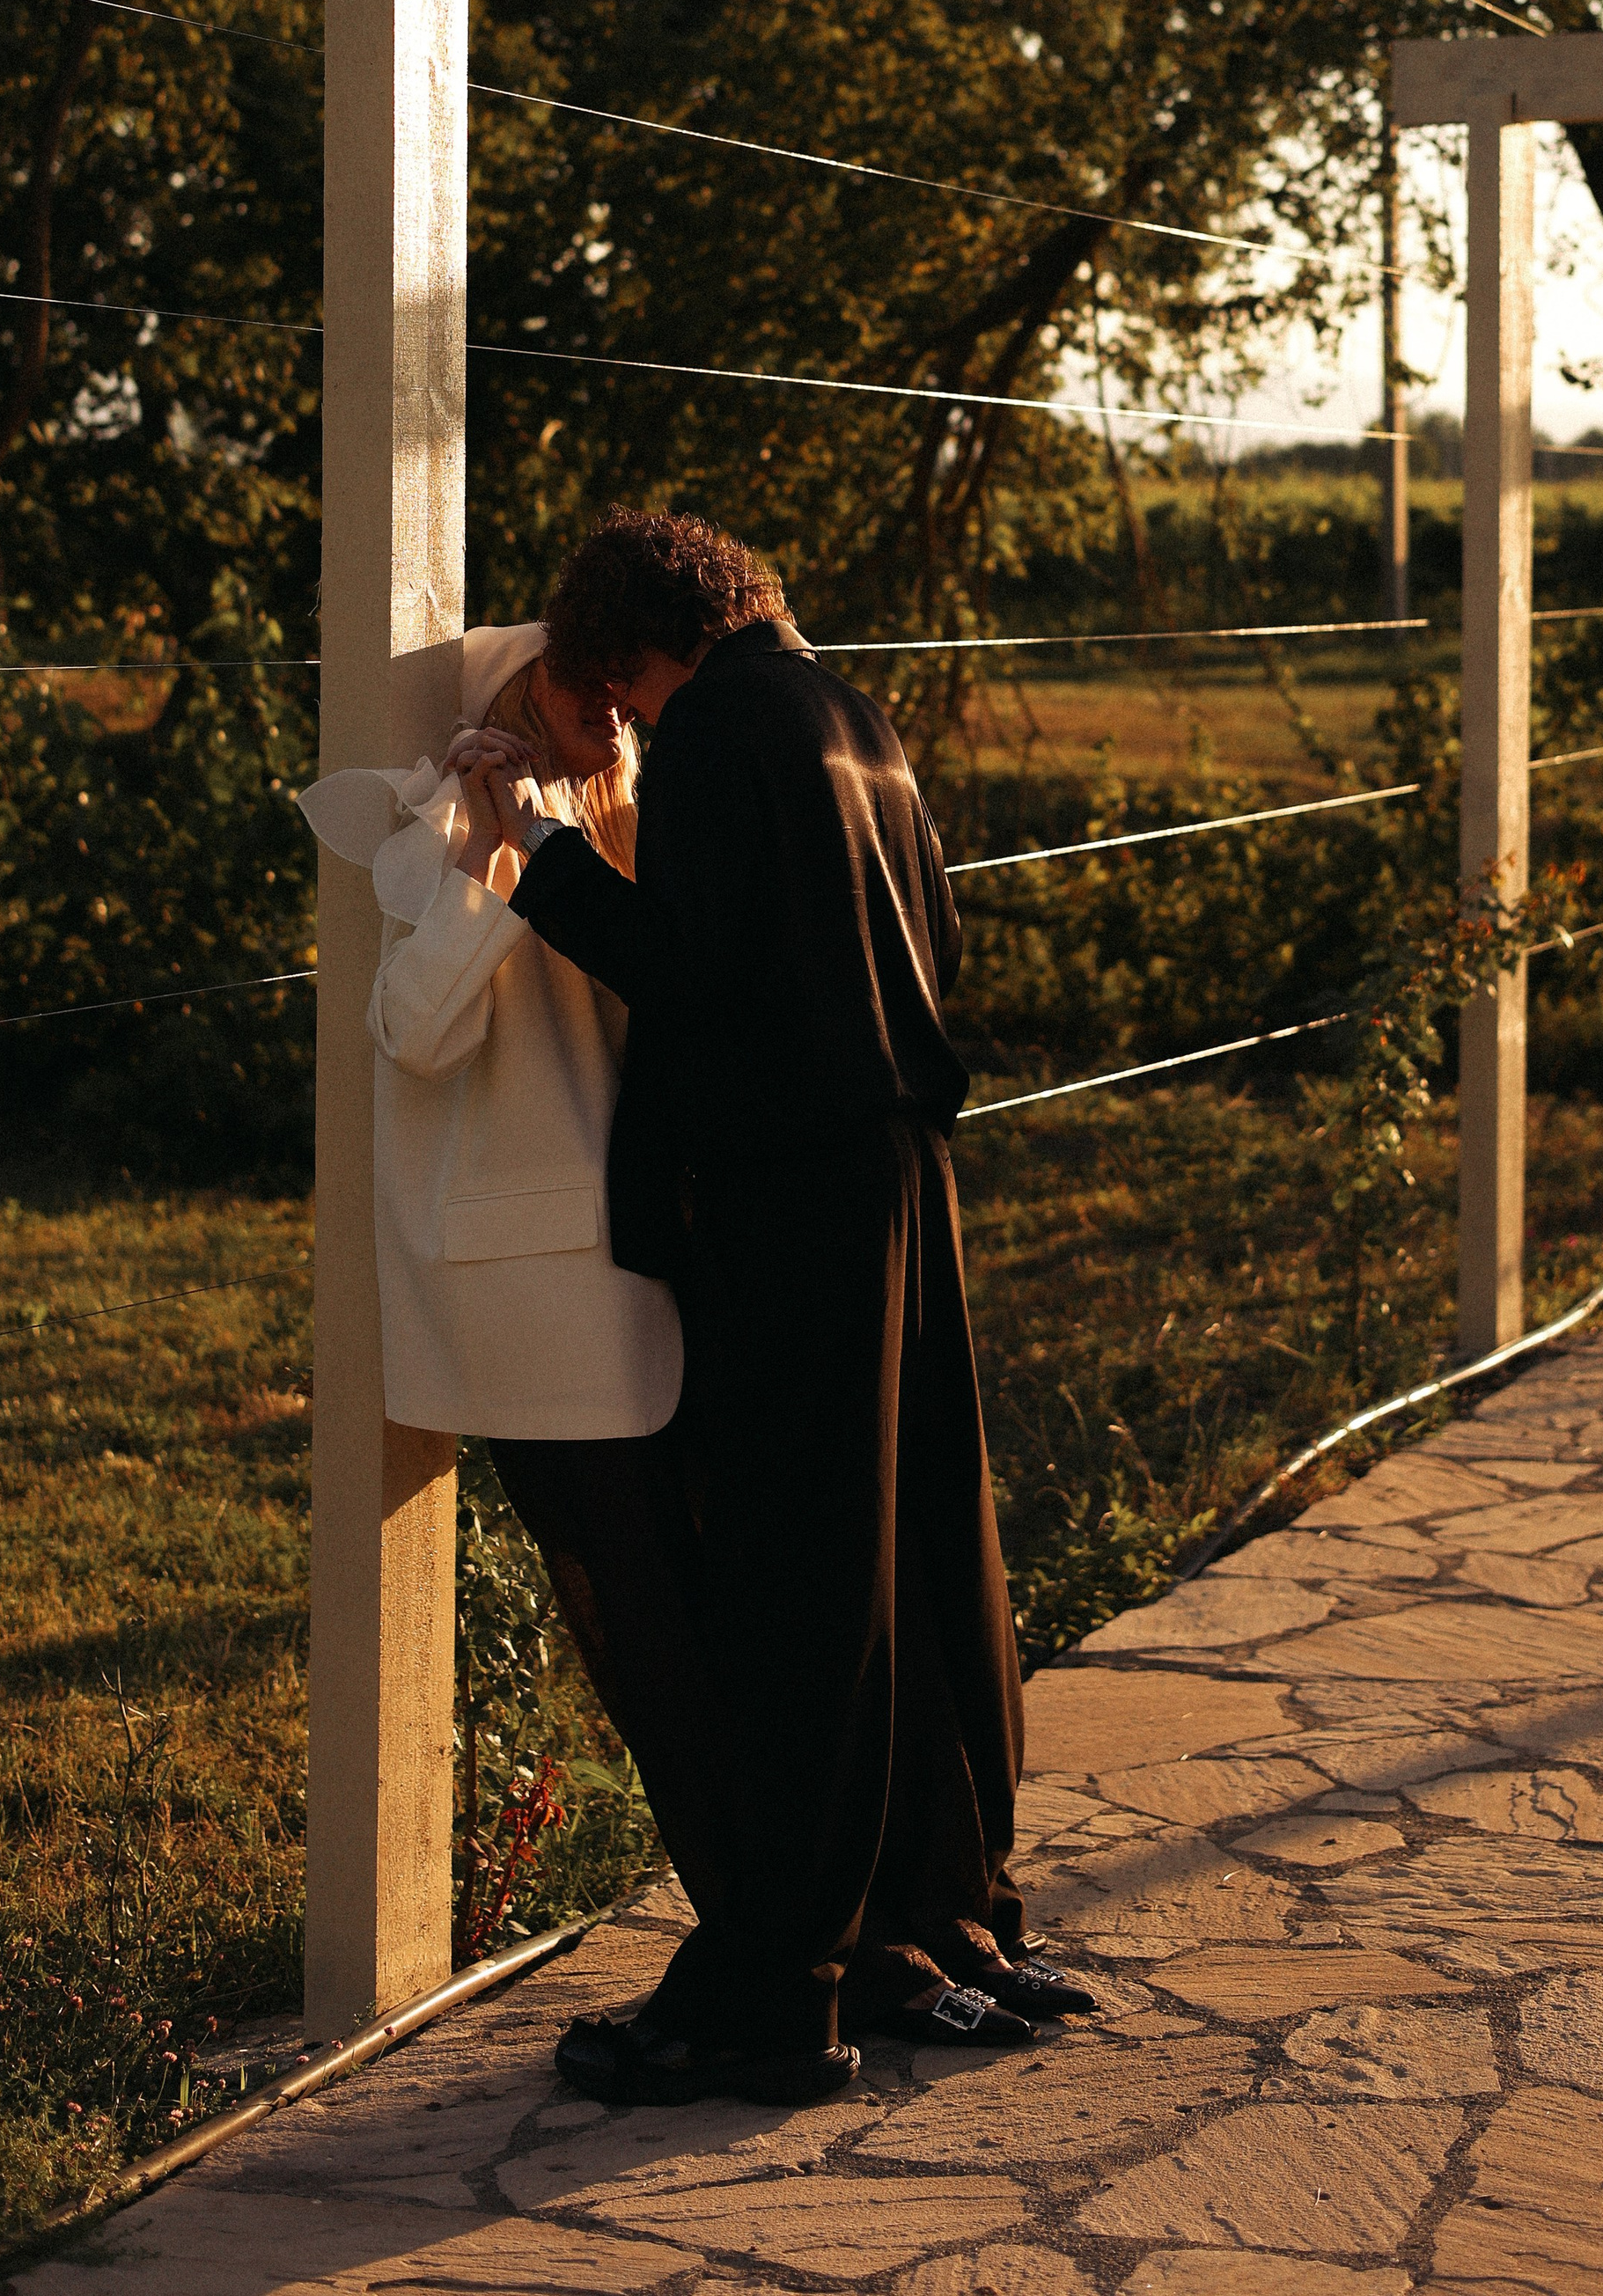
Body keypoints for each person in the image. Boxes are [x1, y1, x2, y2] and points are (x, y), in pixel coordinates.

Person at [474, 510, 1094, 2108]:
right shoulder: (852, 715)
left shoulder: (714, 737)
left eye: (609, 690)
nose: (616, 721)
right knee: (918, 1550)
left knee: (802, 1583)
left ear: (622, 656)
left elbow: (693, 969)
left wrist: (534, 849)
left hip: (792, 1203)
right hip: (905, 1172)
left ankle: (776, 1989)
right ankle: (951, 1918)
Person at [298, 621, 683, 1443]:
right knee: (624, 1562)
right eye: (580, 673)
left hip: (644, 1248)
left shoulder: (627, 841)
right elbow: (416, 1036)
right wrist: (484, 848)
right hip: (538, 1282)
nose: (612, 696)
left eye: (619, 676)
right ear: (514, 699)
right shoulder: (456, 837)